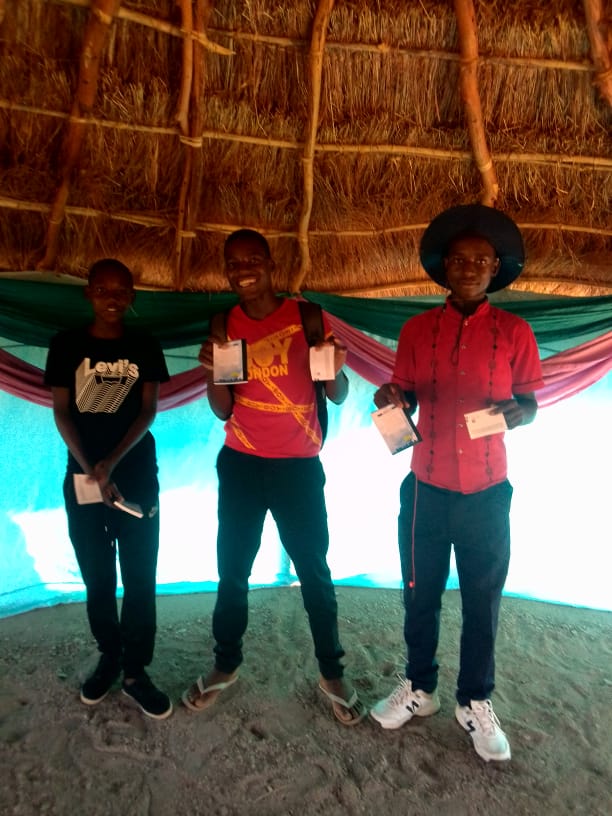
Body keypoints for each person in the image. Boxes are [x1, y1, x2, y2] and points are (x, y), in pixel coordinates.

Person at [370, 204, 544, 761]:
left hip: (488, 491)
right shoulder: (416, 330)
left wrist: (520, 413)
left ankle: (474, 701)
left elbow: (530, 402)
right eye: (459, 259)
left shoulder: (515, 332)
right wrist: (391, 397)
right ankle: (419, 688)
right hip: (425, 487)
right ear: (444, 267)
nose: (469, 267)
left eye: (480, 260)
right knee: (419, 593)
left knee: (481, 600)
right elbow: (403, 391)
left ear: (496, 268)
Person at [181, 228, 364, 726]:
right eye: (234, 262)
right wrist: (211, 370)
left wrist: (335, 367)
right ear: (226, 270)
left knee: (314, 572)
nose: (244, 269)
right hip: (241, 464)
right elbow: (223, 410)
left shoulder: (306, 317)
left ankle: (331, 673)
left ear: (270, 264)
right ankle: (225, 664)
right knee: (232, 571)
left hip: (298, 468)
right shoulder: (224, 324)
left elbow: (337, 394)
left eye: (253, 259)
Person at [44, 258, 172, 720]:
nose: (112, 298)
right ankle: (110, 656)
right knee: (97, 576)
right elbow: (62, 412)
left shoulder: (144, 344)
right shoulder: (66, 345)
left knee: (139, 576)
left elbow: (147, 411)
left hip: (135, 476)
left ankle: (136, 672)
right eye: (103, 289)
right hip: (83, 477)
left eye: (121, 291)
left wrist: (110, 464)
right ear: (89, 293)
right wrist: (92, 469)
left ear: (132, 297)